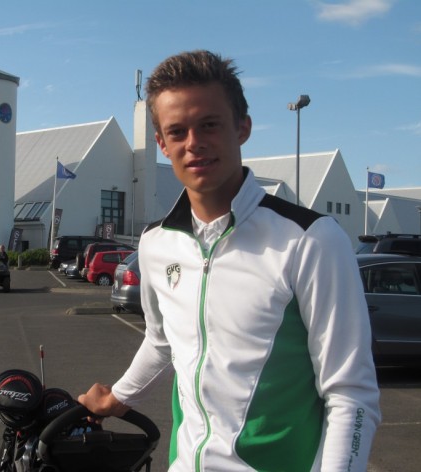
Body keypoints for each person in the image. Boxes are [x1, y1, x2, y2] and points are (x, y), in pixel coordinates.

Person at [78, 50, 381, 471]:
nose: (194, 143)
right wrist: (118, 397)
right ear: (161, 143)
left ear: (243, 128)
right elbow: (163, 341)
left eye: (209, 125)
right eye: (177, 131)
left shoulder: (311, 239)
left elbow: (351, 393)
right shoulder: (155, 242)